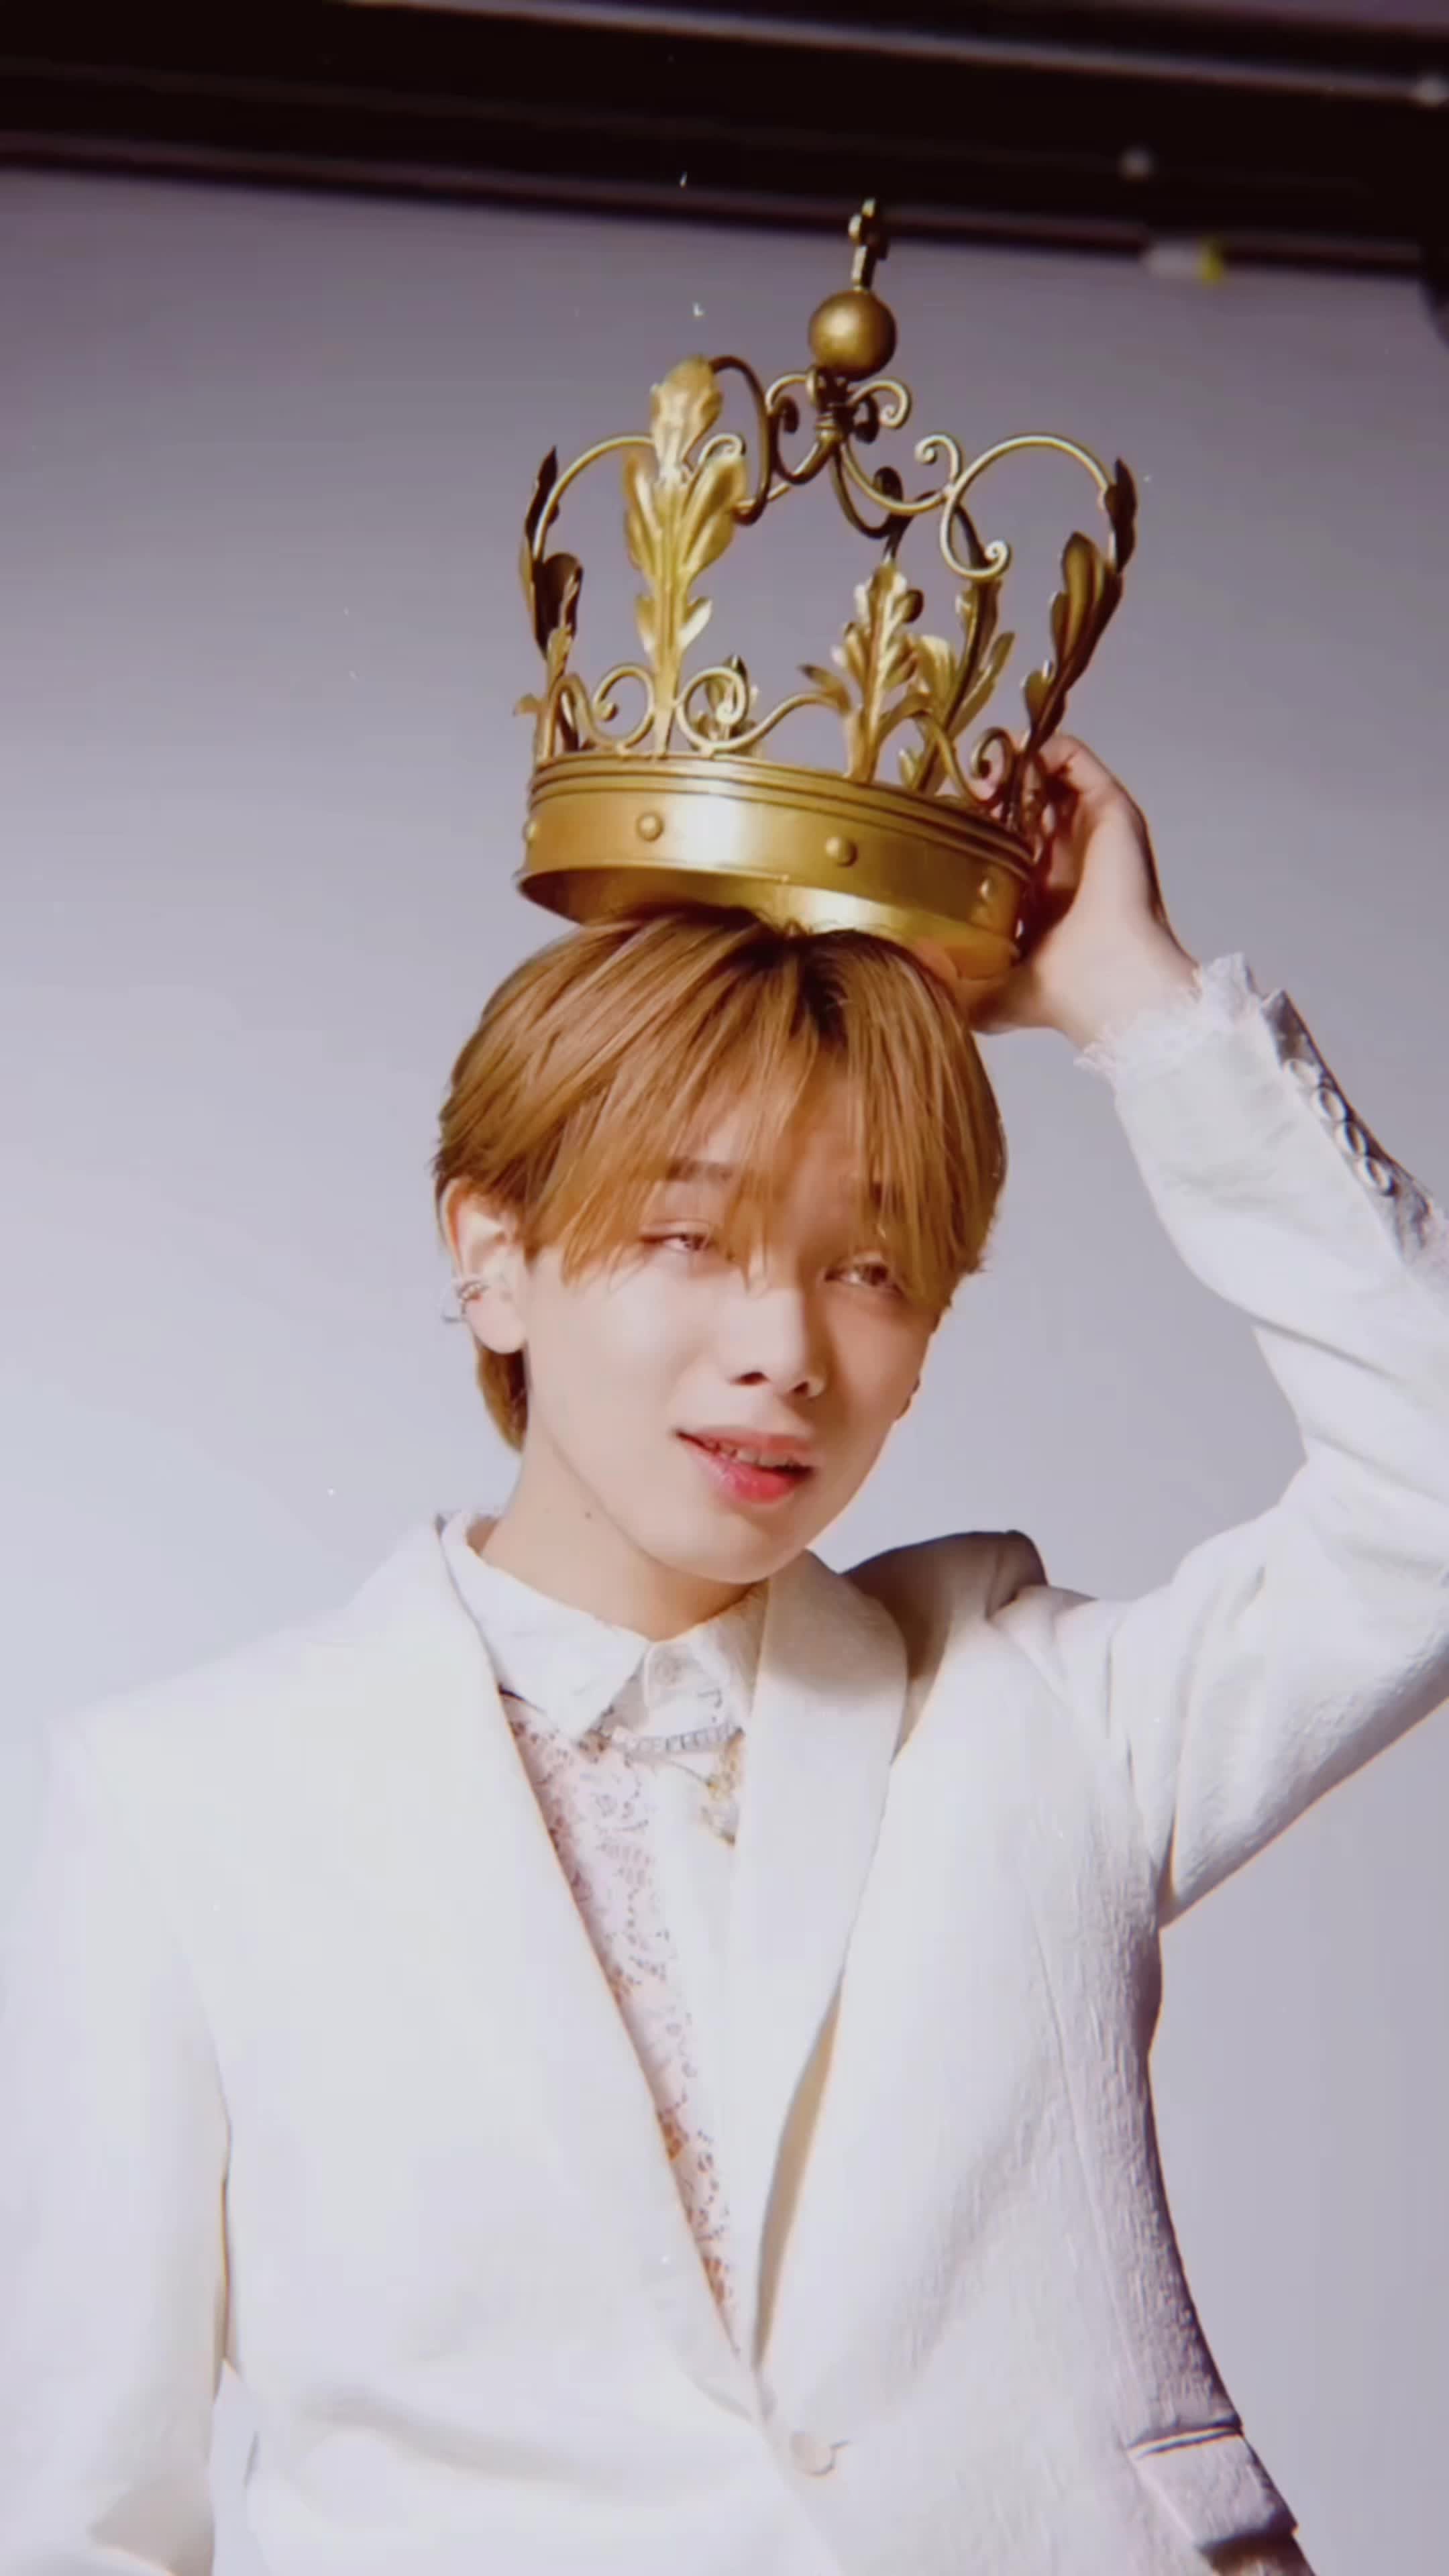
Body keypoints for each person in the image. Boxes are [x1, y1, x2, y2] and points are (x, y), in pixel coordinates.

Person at [3, 734, 1447, 2576]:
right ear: (492, 1254)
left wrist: (1134, 1004)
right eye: (689, 1236)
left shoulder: (1029, 1707)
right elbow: (89, 2520)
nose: (783, 1349)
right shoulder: (184, 1806)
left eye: (870, 1268)